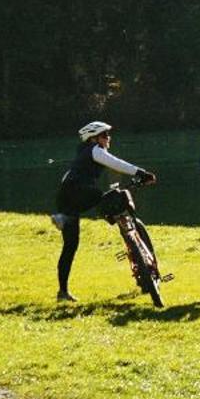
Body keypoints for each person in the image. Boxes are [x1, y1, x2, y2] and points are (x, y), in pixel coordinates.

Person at [53, 120, 154, 301]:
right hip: (79, 191)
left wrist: (66, 206)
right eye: (104, 135)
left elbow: (68, 176)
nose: (108, 138)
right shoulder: (95, 151)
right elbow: (116, 163)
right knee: (110, 199)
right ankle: (130, 240)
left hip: (66, 197)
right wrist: (141, 173)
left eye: (108, 134)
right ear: (93, 139)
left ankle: (63, 292)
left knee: (70, 246)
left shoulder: (82, 153)